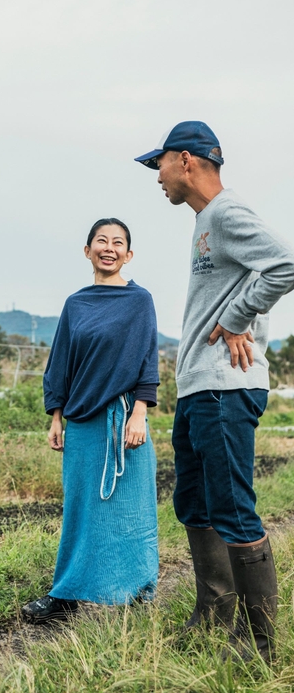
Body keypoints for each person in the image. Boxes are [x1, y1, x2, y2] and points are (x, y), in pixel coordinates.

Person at [135, 121, 294, 660]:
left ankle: (258, 644)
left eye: (159, 163)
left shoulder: (226, 212)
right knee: (195, 503)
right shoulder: (205, 223)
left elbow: (285, 263)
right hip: (201, 387)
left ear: (185, 161)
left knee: (231, 508)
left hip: (227, 388)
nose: (156, 176)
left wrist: (236, 317)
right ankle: (212, 615)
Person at [21, 218, 160, 622]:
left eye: (118, 243)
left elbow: (148, 361)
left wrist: (140, 414)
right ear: (88, 251)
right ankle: (66, 595)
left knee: (133, 511)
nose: (109, 248)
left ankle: (138, 593)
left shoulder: (140, 301)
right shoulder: (76, 304)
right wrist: (55, 416)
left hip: (126, 420)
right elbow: (59, 363)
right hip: (82, 421)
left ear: (128, 254)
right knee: (80, 510)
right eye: (101, 241)